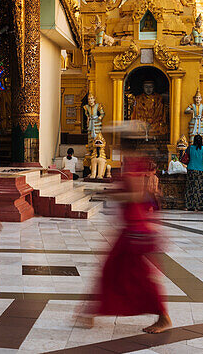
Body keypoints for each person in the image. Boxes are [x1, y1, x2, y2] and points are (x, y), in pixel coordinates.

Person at [77, 143, 170, 334]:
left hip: (136, 230)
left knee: (138, 276)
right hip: (130, 228)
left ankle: (163, 316)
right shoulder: (131, 165)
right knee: (111, 270)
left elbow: (136, 196)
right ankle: (90, 312)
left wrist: (111, 194)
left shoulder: (135, 166)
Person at [184, 134, 203, 211]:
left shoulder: (190, 148)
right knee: (200, 188)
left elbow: (186, 156)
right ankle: (199, 206)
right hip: (201, 170)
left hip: (191, 169)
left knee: (190, 187)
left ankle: (188, 205)